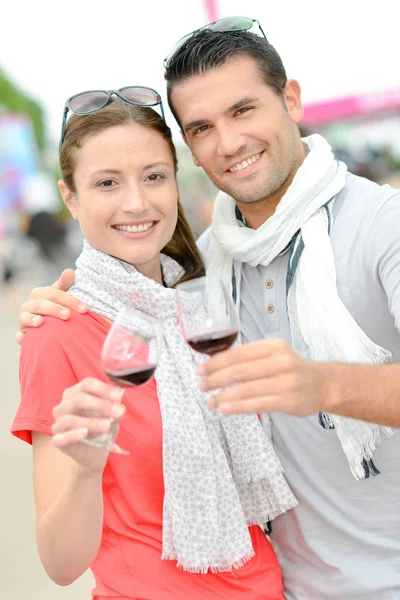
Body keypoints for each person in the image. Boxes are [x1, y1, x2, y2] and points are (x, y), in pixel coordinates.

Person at [15, 19, 400, 599]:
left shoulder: (376, 229)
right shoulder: (111, 310)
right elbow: (62, 559)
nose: (227, 142)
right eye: (201, 127)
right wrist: (85, 469)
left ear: (290, 99)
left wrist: (324, 386)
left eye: (243, 110)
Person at [11, 91, 298, 600]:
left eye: (153, 176)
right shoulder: (58, 329)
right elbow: (59, 564)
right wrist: (84, 471)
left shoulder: (204, 303)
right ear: (69, 197)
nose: (137, 202)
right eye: (106, 183)